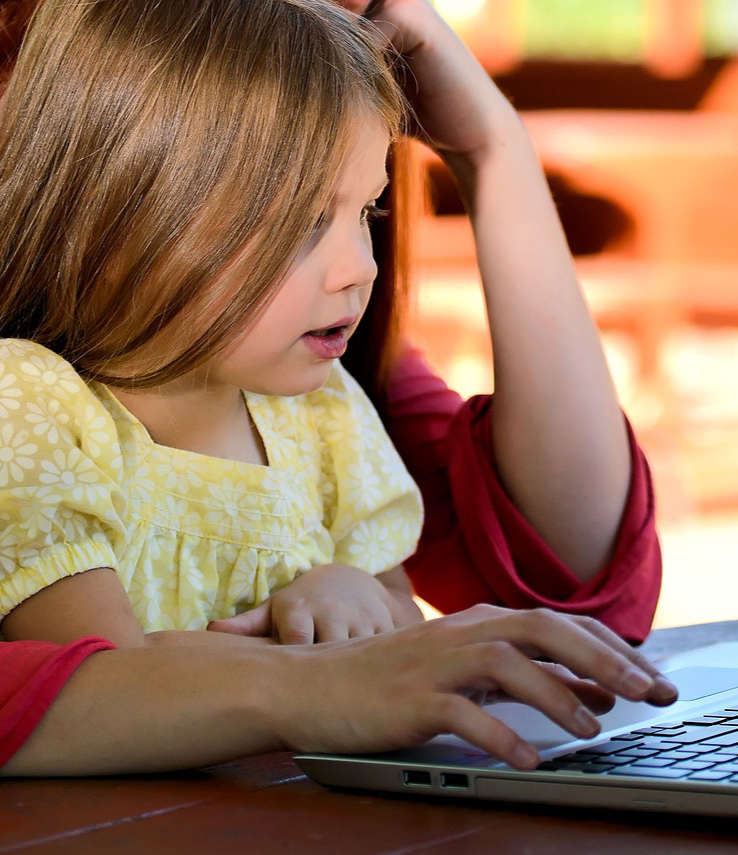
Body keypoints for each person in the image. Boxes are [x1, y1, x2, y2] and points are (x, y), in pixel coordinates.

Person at [0, 0, 675, 777]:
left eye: (368, 211)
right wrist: (313, 673)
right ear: (121, 208)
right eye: (299, 221)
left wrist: (494, 147)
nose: (363, 265)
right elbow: (92, 686)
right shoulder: (32, 407)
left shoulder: (318, 408)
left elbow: (546, 599)